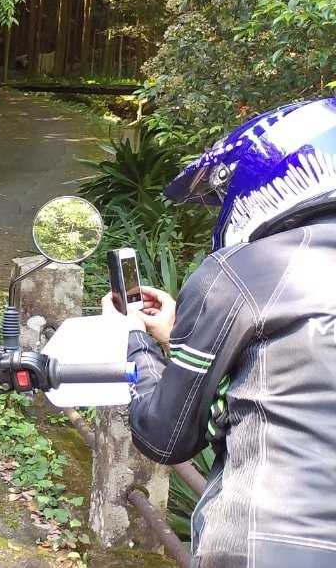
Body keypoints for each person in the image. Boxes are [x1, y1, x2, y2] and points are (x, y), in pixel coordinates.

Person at [100, 98, 336, 567]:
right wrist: (175, 335)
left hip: (270, 544)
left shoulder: (242, 271)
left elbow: (166, 436)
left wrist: (135, 340)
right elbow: (292, 379)